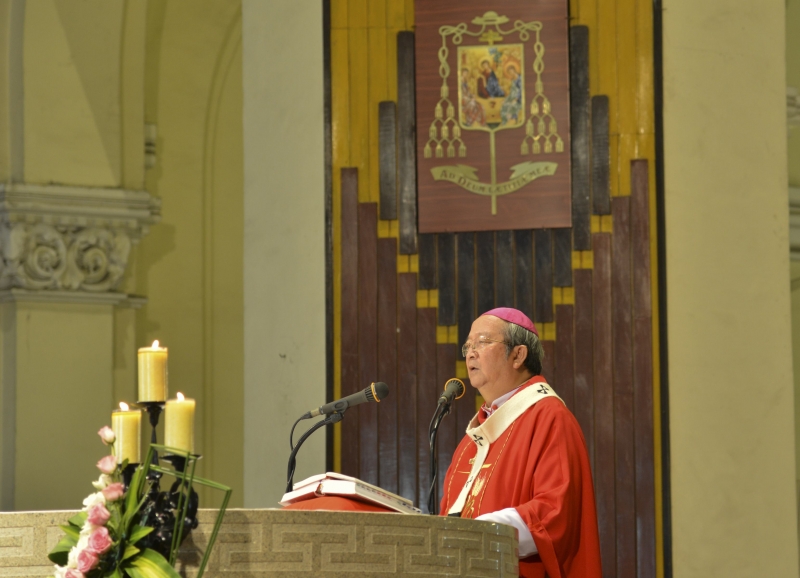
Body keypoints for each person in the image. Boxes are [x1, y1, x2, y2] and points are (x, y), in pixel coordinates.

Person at [439, 307, 602, 578]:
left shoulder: (550, 418)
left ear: (518, 355)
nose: (470, 353)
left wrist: (476, 533)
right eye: (468, 346)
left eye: (482, 342)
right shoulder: (472, 441)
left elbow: (553, 514)